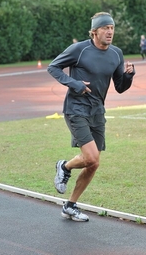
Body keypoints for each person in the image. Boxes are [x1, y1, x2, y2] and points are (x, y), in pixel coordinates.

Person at [47, 12, 135, 222]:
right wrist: (75, 84)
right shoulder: (80, 49)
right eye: (106, 28)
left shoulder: (116, 54)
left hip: (97, 111)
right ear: (95, 31)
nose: (110, 32)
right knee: (91, 157)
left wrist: (129, 77)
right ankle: (64, 166)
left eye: (112, 28)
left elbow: (120, 87)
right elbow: (53, 67)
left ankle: (70, 205)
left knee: (93, 164)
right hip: (76, 109)